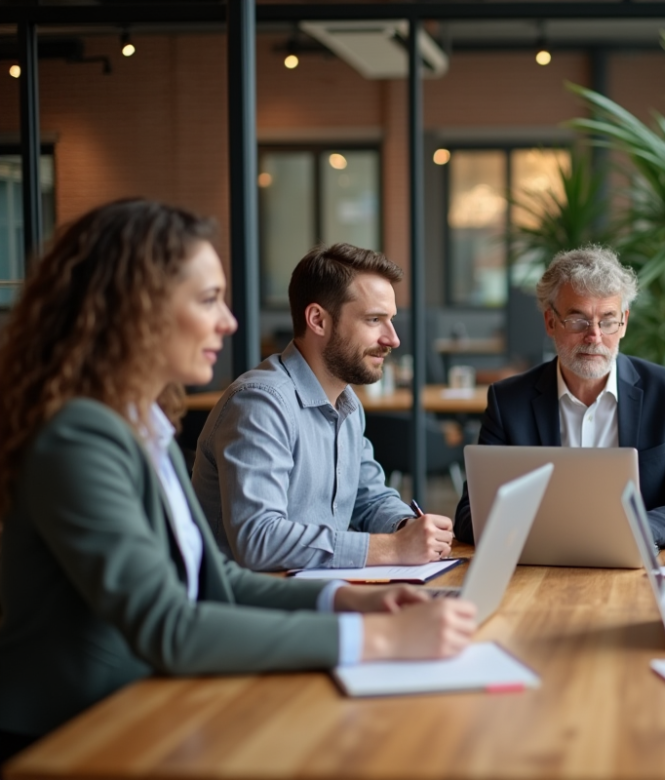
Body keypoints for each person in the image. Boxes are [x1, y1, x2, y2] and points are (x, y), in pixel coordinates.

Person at [0, 200, 475, 761]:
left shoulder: (145, 421)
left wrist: (352, 604)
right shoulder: (80, 435)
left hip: (150, 703)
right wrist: (379, 640)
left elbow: (215, 575)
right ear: (134, 310)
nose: (229, 321)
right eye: (208, 300)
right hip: (75, 734)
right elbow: (171, 625)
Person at [192, 243, 454, 571]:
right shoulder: (261, 402)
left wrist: (407, 528)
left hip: (314, 595)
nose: (393, 339)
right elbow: (258, 539)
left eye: (391, 320)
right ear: (318, 319)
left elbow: (368, 498)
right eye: (374, 320)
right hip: (253, 608)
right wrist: (393, 548)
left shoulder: (348, 404)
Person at [453, 246, 665, 548]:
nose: (594, 336)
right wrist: (552, 532)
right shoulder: (508, 401)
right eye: (578, 321)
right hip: (539, 572)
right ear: (550, 322)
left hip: (637, 569)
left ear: (624, 322)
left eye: (607, 321)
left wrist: (637, 529)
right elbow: (469, 515)